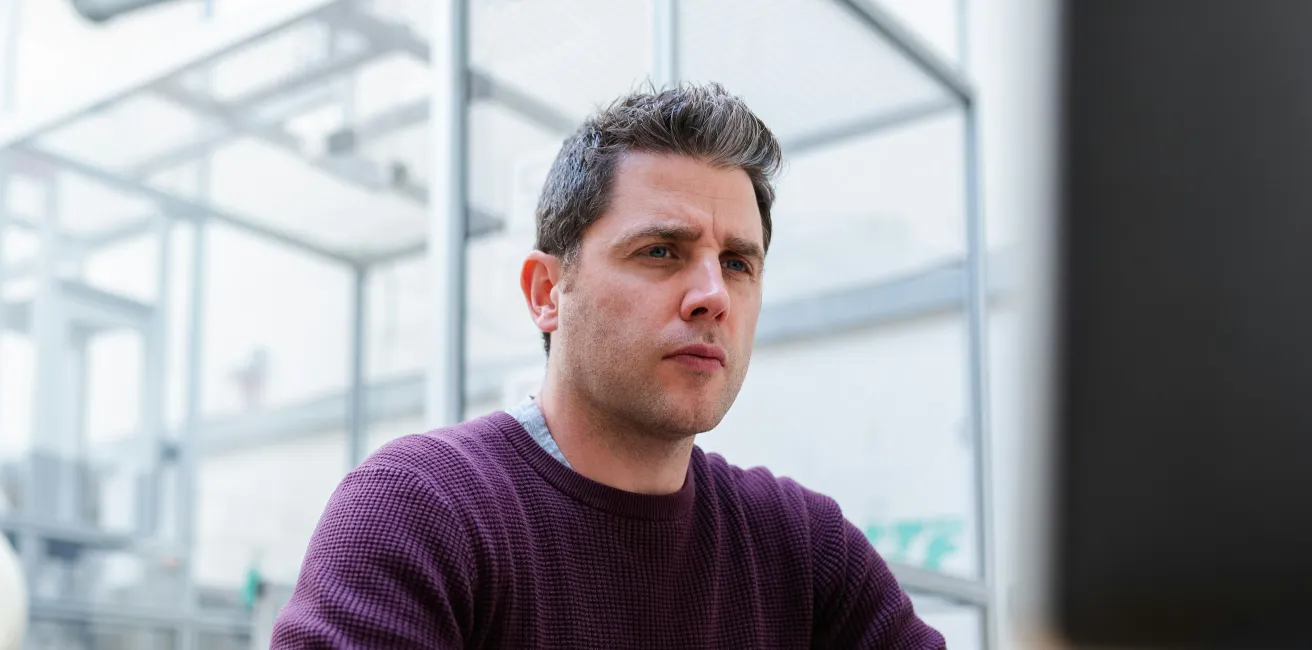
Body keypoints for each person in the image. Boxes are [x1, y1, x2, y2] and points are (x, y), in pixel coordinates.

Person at [271, 84, 946, 649]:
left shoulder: (801, 547)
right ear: (546, 293)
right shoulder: (422, 511)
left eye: (737, 263)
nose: (712, 294)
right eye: (659, 252)